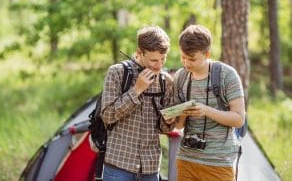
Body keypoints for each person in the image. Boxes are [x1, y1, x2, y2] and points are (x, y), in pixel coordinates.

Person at [101, 25, 175, 181]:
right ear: (140, 52)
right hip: (118, 166)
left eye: (163, 59)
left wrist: (168, 120)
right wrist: (137, 90)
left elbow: (164, 129)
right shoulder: (117, 72)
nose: (159, 65)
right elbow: (107, 116)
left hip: (150, 168)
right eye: (154, 60)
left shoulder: (165, 81)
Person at [173, 24, 245, 181]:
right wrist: (181, 113)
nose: (186, 64)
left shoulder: (227, 75)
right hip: (186, 160)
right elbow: (178, 126)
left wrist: (206, 110)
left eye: (192, 59)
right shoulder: (181, 77)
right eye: (183, 57)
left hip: (218, 163)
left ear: (207, 54)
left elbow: (239, 119)